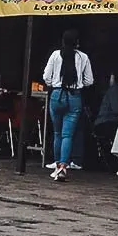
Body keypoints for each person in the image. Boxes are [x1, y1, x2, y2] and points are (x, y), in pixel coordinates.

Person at [42, 29, 94, 181]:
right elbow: (89, 80)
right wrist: (79, 85)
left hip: (57, 95)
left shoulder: (55, 55)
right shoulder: (83, 57)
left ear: (63, 42)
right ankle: (64, 166)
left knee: (57, 133)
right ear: (77, 43)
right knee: (67, 135)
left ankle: (57, 165)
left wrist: (55, 84)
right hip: (74, 96)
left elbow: (46, 76)